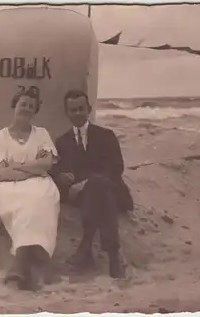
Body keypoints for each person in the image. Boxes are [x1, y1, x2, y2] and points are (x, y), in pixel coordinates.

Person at [49, 89, 134, 279]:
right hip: (83, 196)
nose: (77, 113)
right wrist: (61, 176)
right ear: (67, 113)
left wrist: (87, 181)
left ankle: (86, 246)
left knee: (99, 186)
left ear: (88, 109)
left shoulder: (106, 135)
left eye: (81, 108)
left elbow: (116, 167)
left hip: (109, 189)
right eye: (73, 110)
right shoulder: (61, 142)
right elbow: (54, 168)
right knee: (98, 192)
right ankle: (113, 256)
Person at [0, 86, 60, 291]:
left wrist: (17, 166)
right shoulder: (0, 137)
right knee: (26, 204)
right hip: (9, 187)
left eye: (32, 106)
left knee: (39, 200)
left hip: (40, 184)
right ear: (15, 106)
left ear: (35, 110)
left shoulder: (41, 134)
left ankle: (20, 263)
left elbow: (46, 164)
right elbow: (0, 173)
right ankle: (38, 260)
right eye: (23, 104)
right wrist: (33, 168)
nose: (27, 109)